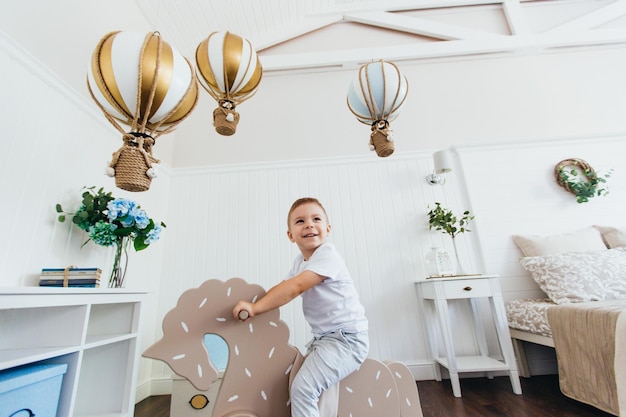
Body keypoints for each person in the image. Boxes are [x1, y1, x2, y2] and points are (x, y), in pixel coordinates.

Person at [232, 197, 369, 417]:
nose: (309, 224)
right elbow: (284, 286)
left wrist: (255, 308)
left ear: (327, 228)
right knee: (298, 381)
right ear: (290, 235)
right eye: (300, 221)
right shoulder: (300, 262)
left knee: (303, 389)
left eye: (316, 219)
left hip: (347, 340)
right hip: (325, 340)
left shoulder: (328, 254)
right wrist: (255, 303)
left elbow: (295, 287)